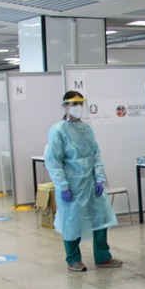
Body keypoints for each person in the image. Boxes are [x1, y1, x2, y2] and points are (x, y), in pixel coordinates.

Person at [45, 91, 123, 272]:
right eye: (73, 103)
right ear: (65, 106)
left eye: (80, 103)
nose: (78, 107)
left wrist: (99, 178)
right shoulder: (58, 130)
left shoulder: (86, 129)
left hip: (90, 183)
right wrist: (63, 185)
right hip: (72, 185)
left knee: (101, 218)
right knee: (72, 222)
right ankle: (73, 259)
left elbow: (95, 155)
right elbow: (54, 162)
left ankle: (103, 256)